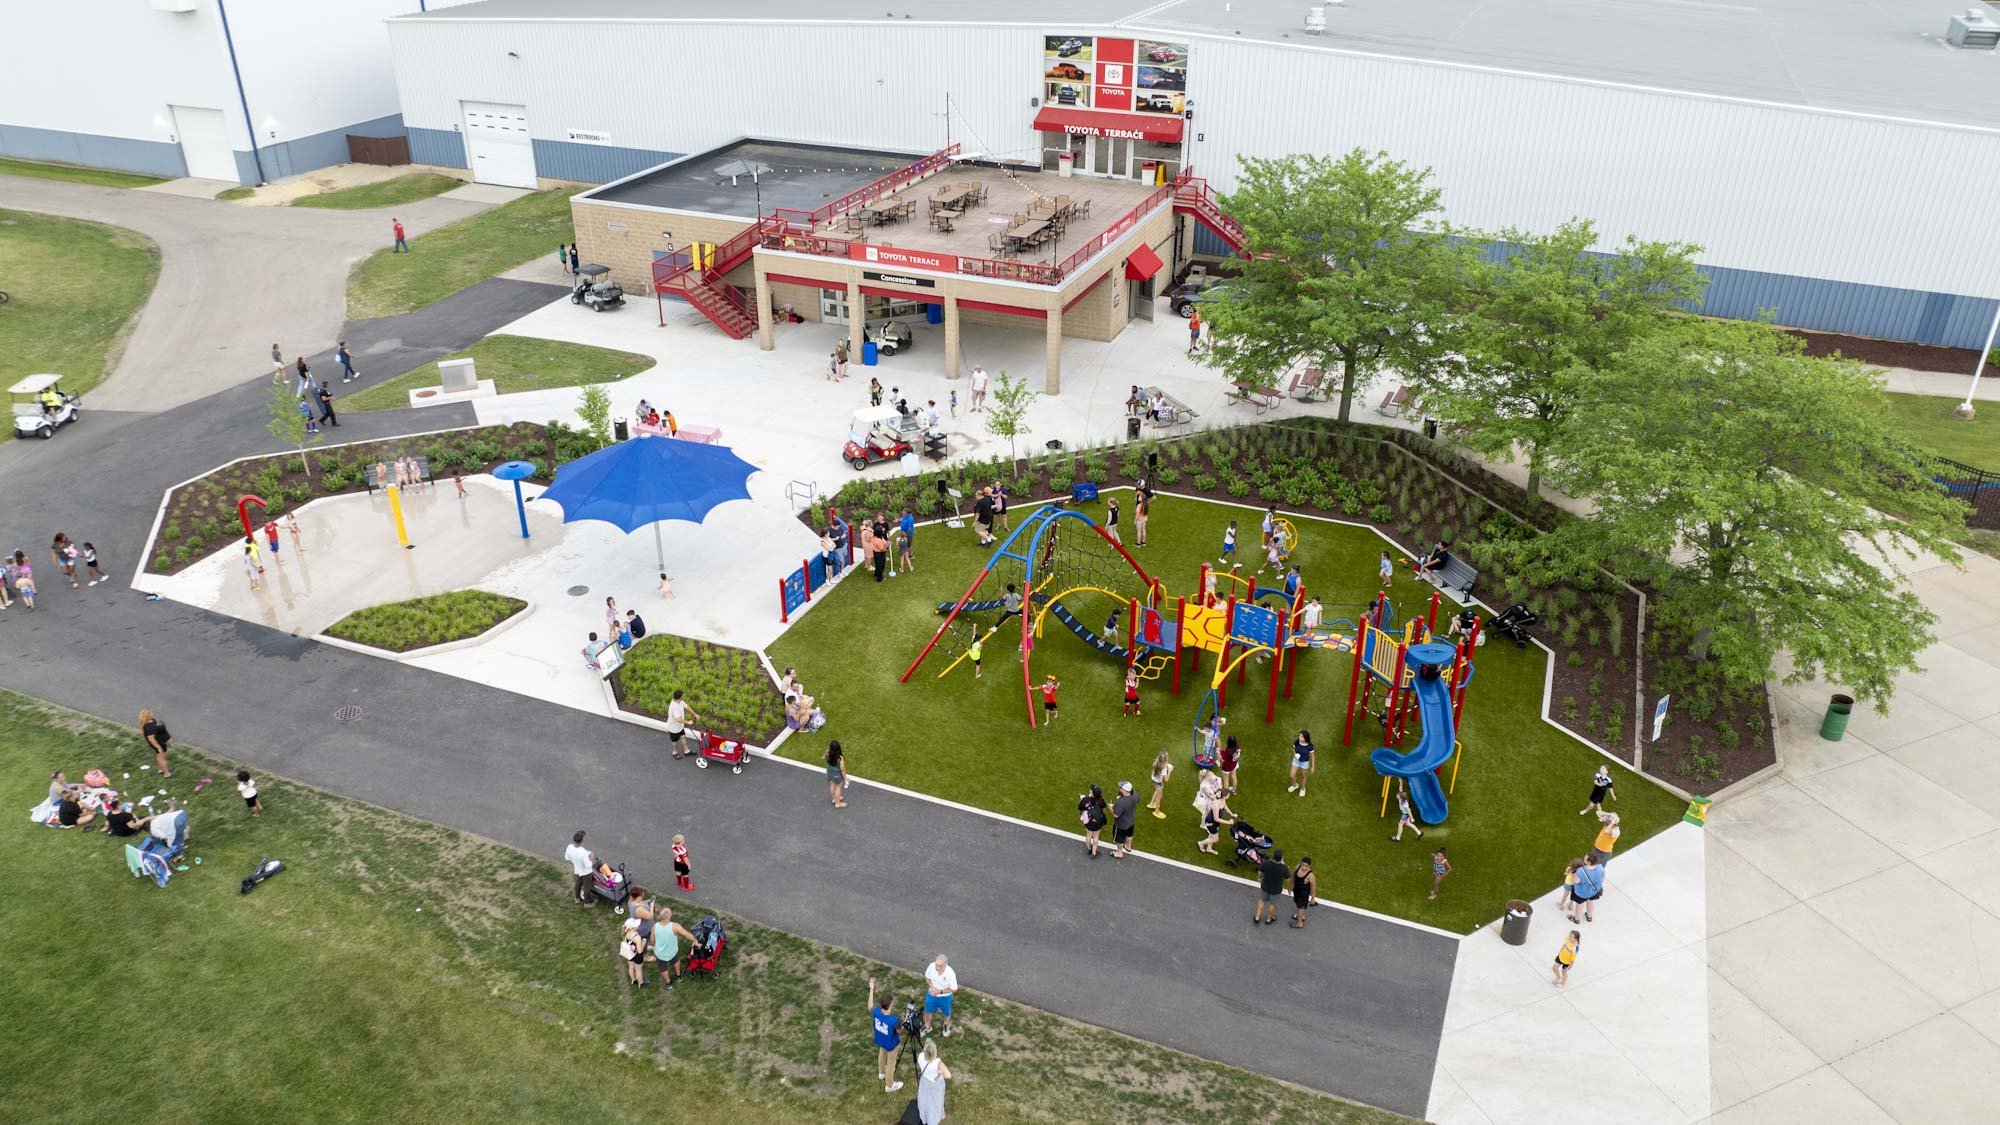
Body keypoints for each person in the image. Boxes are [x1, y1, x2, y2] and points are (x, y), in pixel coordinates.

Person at [868, 978, 905, 1093]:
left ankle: (881, 1073)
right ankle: (889, 1085)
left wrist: (871, 989)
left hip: (881, 1040)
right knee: (890, 1063)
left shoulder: (877, 1012)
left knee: (881, 1055)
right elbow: (899, 1031)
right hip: (892, 1044)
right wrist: (905, 1022)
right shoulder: (894, 1020)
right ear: (890, 1005)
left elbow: (869, 1005)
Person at [653, 906, 697, 990]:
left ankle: (668, 984)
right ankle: (679, 976)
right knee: (676, 961)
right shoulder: (675, 926)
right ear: (669, 916)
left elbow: (652, 940)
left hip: (660, 953)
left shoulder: (655, 926)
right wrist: (695, 940)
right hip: (672, 951)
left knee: (663, 969)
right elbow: (686, 934)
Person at [917, 1039, 952, 1125]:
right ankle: (936, 1117)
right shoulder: (937, 1062)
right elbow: (949, 1075)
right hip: (935, 1084)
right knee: (937, 1101)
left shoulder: (920, 1056)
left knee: (925, 1100)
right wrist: (939, 1075)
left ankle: (925, 1117)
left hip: (924, 1082)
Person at [924, 954, 958, 1038]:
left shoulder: (950, 974)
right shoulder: (931, 966)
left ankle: (946, 1025)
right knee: (928, 1011)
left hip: (945, 997)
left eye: (939, 966)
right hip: (932, 994)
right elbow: (927, 977)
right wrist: (932, 988)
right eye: (936, 964)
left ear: (945, 964)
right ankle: (927, 1026)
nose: (937, 967)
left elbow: (954, 989)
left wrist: (940, 991)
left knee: (946, 1012)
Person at [1254, 846, 1287, 925]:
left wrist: (1260, 879)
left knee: (1261, 901)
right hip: (1276, 890)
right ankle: (1268, 919)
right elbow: (1288, 879)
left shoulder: (1266, 863)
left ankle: (1257, 917)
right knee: (1272, 904)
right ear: (1281, 858)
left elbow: (1259, 872)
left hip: (1265, 887)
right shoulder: (1283, 868)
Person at [666, 689, 702, 760]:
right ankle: (675, 752)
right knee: (675, 741)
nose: (682, 698)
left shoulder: (680, 701)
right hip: (674, 728)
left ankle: (686, 751)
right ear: (679, 697)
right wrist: (688, 722)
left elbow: (687, 707)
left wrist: (695, 714)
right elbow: (678, 719)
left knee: (683, 737)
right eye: (681, 697)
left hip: (680, 726)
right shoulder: (674, 707)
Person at [1569, 855, 1606, 922]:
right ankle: (1589, 917)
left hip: (1582, 893)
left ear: (1589, 862)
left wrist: (1573, 874)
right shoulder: (1600, 867)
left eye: (1585, 859)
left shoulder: (1580, 871)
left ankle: (1576, 919)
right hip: (1594, 891)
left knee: (1580, 904)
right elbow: (1602, 880)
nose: (1583, 859)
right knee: (1590, 901)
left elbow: (1576, 881)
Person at [565, 830, 597, 906]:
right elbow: (588, 865)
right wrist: (591, 857)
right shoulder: (583, 853)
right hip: (586, 872)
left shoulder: (569, 847)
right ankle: (587, 903)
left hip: (577, 869)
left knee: (578, 883)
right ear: (582, 841)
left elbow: (567, 858)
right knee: (586, 887)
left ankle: (577, 898)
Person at [1078, 783, 1108, 858]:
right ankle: (1094, 853)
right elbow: (1103, 808)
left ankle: (1089, 849)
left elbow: (1080, 808)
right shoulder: (1101, 801)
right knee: (1096, 836)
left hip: (1088, 821)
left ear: (1092, 793)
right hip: (1098, 821)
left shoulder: (1085, 800)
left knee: (1088, 835)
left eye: (1091, 790)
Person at [140, 708, 172, 778]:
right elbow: (151, 739)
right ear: (148, 716)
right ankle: (166, 774)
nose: (152, 713)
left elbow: (157, 727)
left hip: (160, 741)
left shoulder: (150, 721)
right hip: (159, 743)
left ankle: (160, 769)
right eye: (150, 713)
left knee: (159, 755)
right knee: (162, 757)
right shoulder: (149, 727)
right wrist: (159, 747)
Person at [1110, 780, 1138, 859]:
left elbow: (1116, 815)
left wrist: (1111, 808)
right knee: (1129, 834)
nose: (1119, 788)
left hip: (1121, 824)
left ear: (1124, 790)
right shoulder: (1135, 795)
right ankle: (1128, 847)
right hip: (1131, 821)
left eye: (1120, 788)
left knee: (1119, 839)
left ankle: (1119, 853)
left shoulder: (1121, 802)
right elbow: (1137, 800)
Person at [619, 916, 648, 987]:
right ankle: (641, 983)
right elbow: (640, 951)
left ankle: (633, 980)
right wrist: (644, 942)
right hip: (637, 955)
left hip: (629, 954)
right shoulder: (637, 937)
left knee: (631, 967)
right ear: (632, 928)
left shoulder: (625, 932)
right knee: (638, 969)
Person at [1290, 856, 1317, 928]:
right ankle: (1300, 916)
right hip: (1296, 891)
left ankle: (1299, 923)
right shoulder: (1297, 867)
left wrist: (1313, 898)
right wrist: (1290, 887)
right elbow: (1293, 877)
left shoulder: (1311, 875)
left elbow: (1313, 887)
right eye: (1302, 865)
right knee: (1298, 905)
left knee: (1300, 907)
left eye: (1306, 866)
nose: (1303, 867)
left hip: (1303, 895)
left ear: (1309, 866)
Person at [1287, 729, 1315, 797]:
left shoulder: (1310, 746)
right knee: (1291, 775)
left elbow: (1313, 756)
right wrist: (1295, 755)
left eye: (1301, 736)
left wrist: (1312, 767)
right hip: (1296, 761)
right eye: (1299, 735)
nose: (1299, 737)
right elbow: (1293, 748)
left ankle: (1302, 788)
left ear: (1305, 738)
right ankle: (1295, 785)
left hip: (1304, 762)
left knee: (1303, 776)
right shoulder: (1297, 742)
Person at [1146, 750, 1172, 819]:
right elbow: (1166, 779)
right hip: (1158, 783)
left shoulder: (1157, 762)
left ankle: (1151, 804)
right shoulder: (1163, 769)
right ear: (1165, 760)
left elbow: (1155, 766)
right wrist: (1169, 770)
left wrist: (1166, 765)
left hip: (1153, 779)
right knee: (1159, 796)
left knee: (1157, 791)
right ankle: (1156, 811)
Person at [826, 741, 849, 808]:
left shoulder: (828, 753)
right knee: (838, 787)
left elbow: (824, 757)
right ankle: (838, 803)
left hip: (830, 772)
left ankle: (834, 799)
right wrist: (845, 778)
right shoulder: (840, 758)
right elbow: (842, 769)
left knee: (832, 785)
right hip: (837, 774)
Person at [898, 507, 917, 574]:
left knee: (909, 545)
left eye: (903, 512)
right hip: (903, 533)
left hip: (908, 534)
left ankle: (911, 555)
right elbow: (902, 518)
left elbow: (909, 529)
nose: (902, 512)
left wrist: (904, 536)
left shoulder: (910, 519)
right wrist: (898, 520)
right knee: (907, 546)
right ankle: (908, 556)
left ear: (907, 513)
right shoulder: (905, 515)